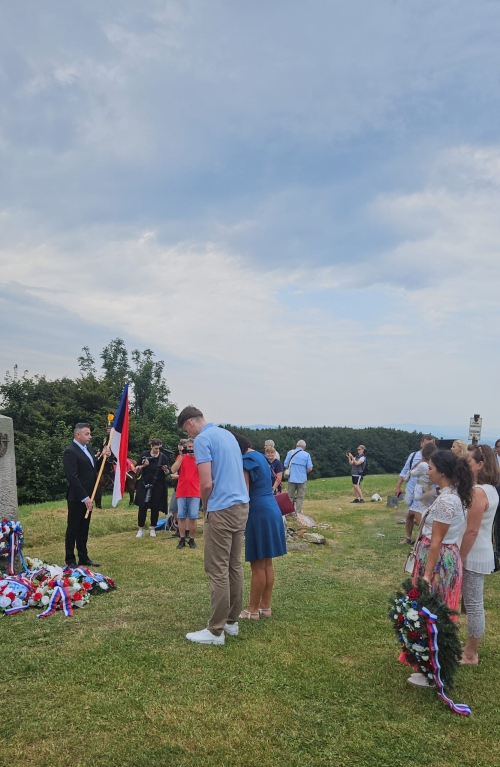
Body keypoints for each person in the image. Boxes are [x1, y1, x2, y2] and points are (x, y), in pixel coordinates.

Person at [178, 406, 249, 645]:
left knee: (217, 569)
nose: (190, 439)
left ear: (190, 424)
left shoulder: (203, 439)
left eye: (188, 434)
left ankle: (215, 631)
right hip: (241, 505)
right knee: (234, 565)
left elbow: (206, 483)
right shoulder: (227, 435)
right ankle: (231, 622)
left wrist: (205, 506)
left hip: (221, 508)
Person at [406, 450, 473, 687]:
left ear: (442, 472)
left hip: (438, 564)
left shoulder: (447, 501)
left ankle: (434, 669)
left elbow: (436, 542)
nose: (428, 471)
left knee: (434, 612)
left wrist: (425, 575)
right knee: (436, 611)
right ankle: (431, 665)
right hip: (443, 557)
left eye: (431, 467)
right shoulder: (450, 495)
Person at [233, 434, 287, 619]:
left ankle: (252, 610)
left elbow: (243, 491)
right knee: (267, 563)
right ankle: (266, 607)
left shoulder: (245, 460)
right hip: (272, 508)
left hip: (258, 512)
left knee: (257, 566)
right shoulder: (261, 457)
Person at [460, 445, 500, 665]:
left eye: (468, 460)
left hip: (473, 554)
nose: (465, 463)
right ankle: (468, 648)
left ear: (480, 464)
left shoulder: (479, 492)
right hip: (478, 551)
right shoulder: (489, 489)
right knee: (473, 603)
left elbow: (472, 530)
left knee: (474, 604)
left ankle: (471, 653)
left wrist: (459, 557)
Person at [63, 422, 110, 568]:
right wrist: (84, 497)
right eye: (87, 434)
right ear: (78, 435)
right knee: (73, 528)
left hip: (90, 494)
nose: (90, 436)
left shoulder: (88, 449)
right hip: (78, 497)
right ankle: (70, 559)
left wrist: (103, 456)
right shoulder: (70, 452)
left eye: (90, 433)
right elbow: (72, 477)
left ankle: (83, 557)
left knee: (84, 528)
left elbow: (92, 467)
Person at [394, 435, 436, 548]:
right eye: (427, 444)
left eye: (431, 444)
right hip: (411, 488)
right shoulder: (413, 455)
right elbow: (405, 471)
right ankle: (409, 537)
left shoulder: (434, 460)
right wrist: (398, 486)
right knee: (410, 514)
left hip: (424, 491)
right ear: (421, 443)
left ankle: (423, 538)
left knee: (419, 515)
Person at [134, 439, 170, 538]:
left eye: (159, 448)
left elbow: (168, 473)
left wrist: (166, 469)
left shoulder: (163, 457)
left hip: (158, 485)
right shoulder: (144, 454)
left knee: (155, 507)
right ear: (151, 446)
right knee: (142, 507)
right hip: (144, 483)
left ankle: (153, 528)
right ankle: (140, 529)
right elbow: (136, 468)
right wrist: (143, 466)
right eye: (155, 448)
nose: (157, 450)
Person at [170, 437, 200, 549]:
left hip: (195, 491)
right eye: (189, 447)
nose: (190, 449)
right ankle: (182, 539)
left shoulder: (199, 458)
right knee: (181, 516)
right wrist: (182, 456)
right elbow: (173, 470)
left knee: (193, 517)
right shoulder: (181, 457)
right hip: (182, 491)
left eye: (192, 447)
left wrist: (197, 455)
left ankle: (192, 539)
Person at [284, 440, 313, 514]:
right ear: (304, 447)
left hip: (292, 478)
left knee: (290, 496)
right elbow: (310, 468)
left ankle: (289, 512)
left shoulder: (290, 452)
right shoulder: (307, 454)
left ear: (296, 445)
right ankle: (298, 513)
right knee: (300, 497)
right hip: (302, 479)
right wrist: (304, 472)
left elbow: (285, 465)